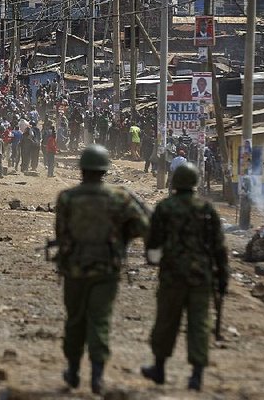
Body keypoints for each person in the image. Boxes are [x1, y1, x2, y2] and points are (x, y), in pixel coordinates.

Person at [52, 145, 149, 394]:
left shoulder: (67, 198)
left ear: (82, 169)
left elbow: (61, 234)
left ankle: (73, 371)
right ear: (104, 170)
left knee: (75, 320)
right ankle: (97, 377)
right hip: (107, 268)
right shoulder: (120, 197)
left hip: (74, 268)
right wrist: (122, 236)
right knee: (100, 319)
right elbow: (143, 227)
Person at [141, 163, 228, 392]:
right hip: (201, 276)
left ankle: (159, 368)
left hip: (172, 275)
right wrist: (223, 278)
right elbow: (219, 247)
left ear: (175, 181)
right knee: (199, 324)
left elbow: (153, 242)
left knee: (166, 321)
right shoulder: (207, 210)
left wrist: (154, 258)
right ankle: (196, 375)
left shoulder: (165, 208)